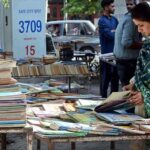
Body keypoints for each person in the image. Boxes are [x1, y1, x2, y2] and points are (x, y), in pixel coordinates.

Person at [123, 2, 150, 149]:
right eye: (137, 26)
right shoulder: (147, 44)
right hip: (143, 111)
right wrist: (134, 83)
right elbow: (145, 70)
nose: (139, 30)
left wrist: (146, 95)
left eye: (141, 25)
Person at [114, 0, 142, 87]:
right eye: (127, 4)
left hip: (124, 61)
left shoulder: (127, 17)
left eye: (131, 4)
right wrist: (144, 44)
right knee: (129, 91)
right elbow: (126, 43)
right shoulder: (130, 19)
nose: (129, 6)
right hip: (127, 63)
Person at [98, 0, 119, 98]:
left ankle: (113, 100)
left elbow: (118, 33)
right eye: (112, 6)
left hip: (116, 53)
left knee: (115, 78)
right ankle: (103, 99)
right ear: (106, 7)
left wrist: (115, 32)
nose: (114, 8)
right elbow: (111, 35)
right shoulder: (102, 21)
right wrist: (115, 32)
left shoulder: (115, 20)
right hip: (106, 55)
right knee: (105, 79)